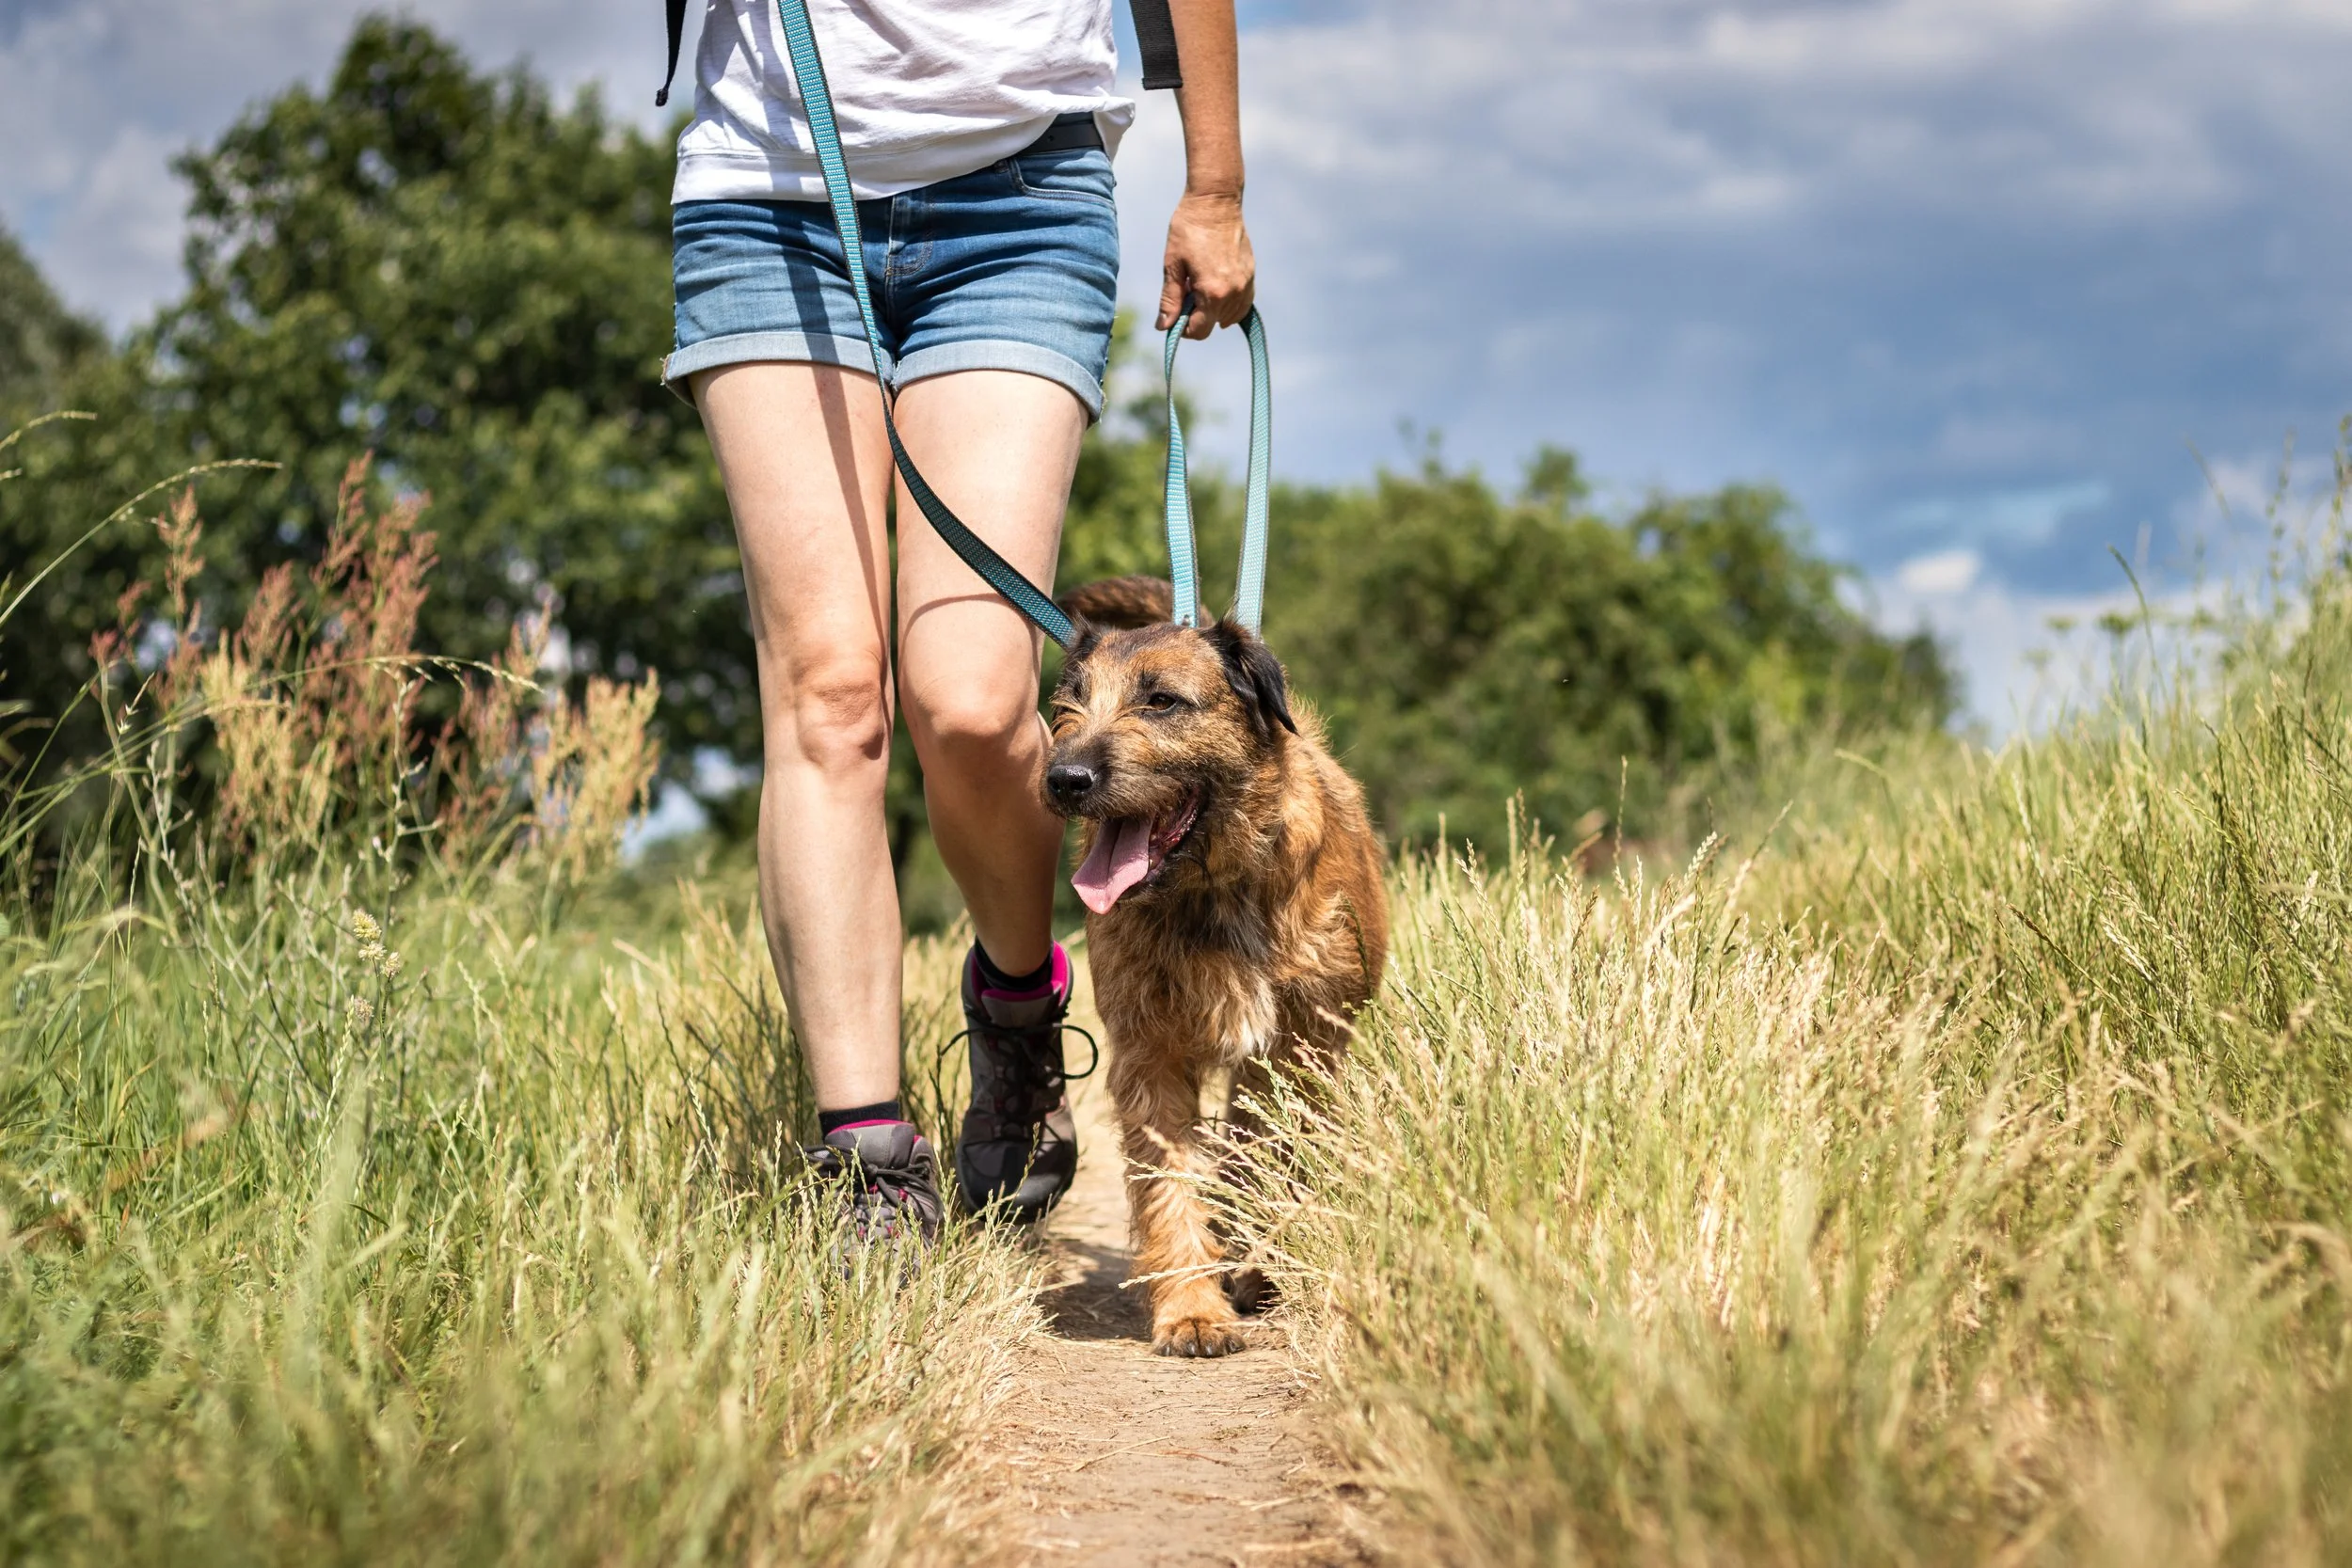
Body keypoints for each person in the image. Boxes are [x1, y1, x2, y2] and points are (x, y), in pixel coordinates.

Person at [662, 0, 1256, 1241]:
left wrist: (1215, 185)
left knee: (976, 702)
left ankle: (1019, 1009)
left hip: (1020, 191)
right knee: (827, 691)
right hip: (767, 184)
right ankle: (868, 1156)